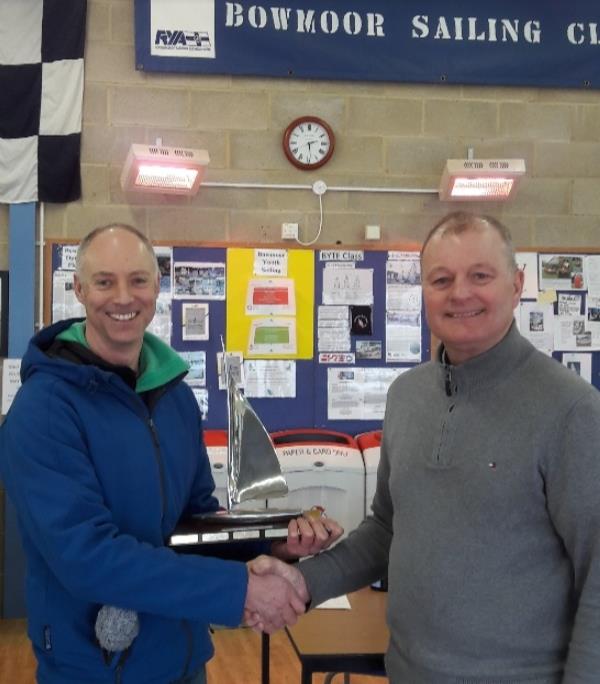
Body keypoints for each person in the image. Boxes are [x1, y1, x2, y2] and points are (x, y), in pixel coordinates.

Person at [249, 211, 600, 683]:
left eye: (481, 275)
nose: (460, 293)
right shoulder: (407, 395)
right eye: (441, 279)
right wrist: (304, 582)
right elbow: (386, 529)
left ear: (517, 285)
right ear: (423, 291)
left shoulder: (571, 410)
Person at [0, 223, 342, 684]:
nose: (123, 297)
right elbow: (86, 557)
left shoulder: (174, 399)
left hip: (182, 658)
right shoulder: (43, 410)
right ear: (79, 289)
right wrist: (240, 590)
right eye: (104, 281)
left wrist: (270, 544)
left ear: (157, 286)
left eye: (138, 280)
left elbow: (194, 522)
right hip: (93, 669)